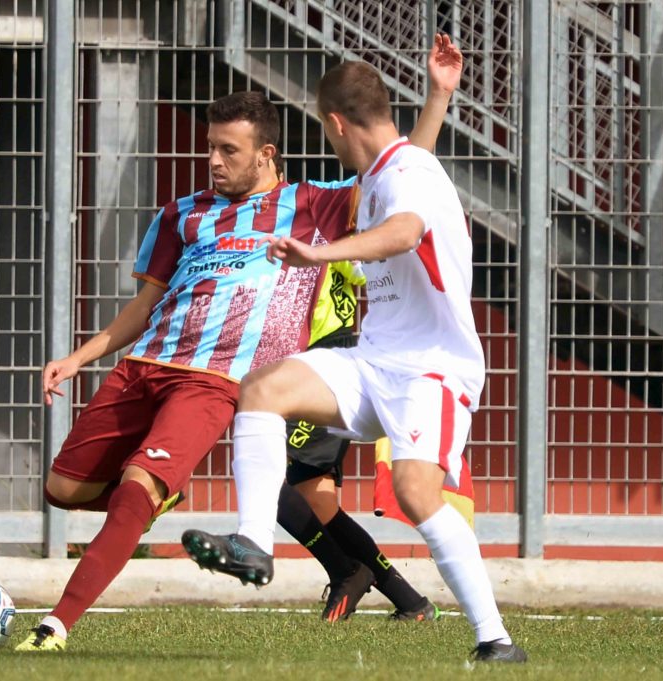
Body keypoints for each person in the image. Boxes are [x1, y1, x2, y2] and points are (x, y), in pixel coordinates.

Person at [15, 39, 462, 653]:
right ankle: (150, 494)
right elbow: (144, 308)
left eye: (229, 150)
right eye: (210, 148)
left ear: (266, 154)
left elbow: (405, 174)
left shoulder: (313, 205)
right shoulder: (181, 214)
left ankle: (54, 626)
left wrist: (437, 97)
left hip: (216, 381)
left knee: (138, 491)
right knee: (62, 490)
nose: (214, 161)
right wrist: (78, 358)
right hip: (143, 366)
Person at [181, 57, 528, 663]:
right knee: (262, 389)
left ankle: (495, 638)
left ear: (336, 123)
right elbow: (407, 166)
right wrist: (439, 97)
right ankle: (253, 543)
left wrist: (319, 253)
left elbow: (406, 230)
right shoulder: (392, 169)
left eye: (324, 128)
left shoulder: (408, 174)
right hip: (373, 361)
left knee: (416, 492)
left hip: (431, 370)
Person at [268, 153, 444, 624]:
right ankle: (408, 600)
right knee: (315, 500)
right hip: (292, 373)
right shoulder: (258, 233)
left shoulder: (324, 225)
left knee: (272, 483)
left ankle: (347, 572)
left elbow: (365, 259)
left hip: (328, 366)